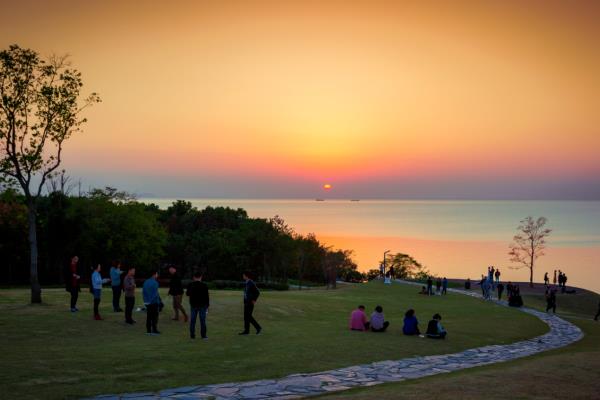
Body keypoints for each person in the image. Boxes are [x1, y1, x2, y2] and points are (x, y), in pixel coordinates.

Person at [187, 270, 210, 339]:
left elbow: (187, 294)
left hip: (193, 305)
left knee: (193, 321)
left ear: (194, 277)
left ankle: (192, 335)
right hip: (202, 305)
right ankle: (203, 335)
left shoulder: (190, 285)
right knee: (202, 321)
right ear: (201, 277)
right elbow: (207, 297)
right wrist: (207, 306)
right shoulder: (204, 285)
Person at [143, 270, 161, 335]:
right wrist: (157, 302)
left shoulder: (146, 282)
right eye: (156, 274)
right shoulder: (155, 283)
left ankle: (148, 330)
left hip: (147, 302)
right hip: (153, 302)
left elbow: (144, 292)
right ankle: (154, 330)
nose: (157, 275)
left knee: (149, 316)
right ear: (154, 274)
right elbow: (155, 294)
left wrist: (145, 301)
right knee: (154, 317)